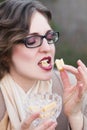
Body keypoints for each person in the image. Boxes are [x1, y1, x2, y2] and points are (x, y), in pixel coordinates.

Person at [0, 0, 86, 130]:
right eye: (32, 40)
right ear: (5, 52)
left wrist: (76, 116)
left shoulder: (74, 88)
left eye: (49, 37)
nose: (47, 47)